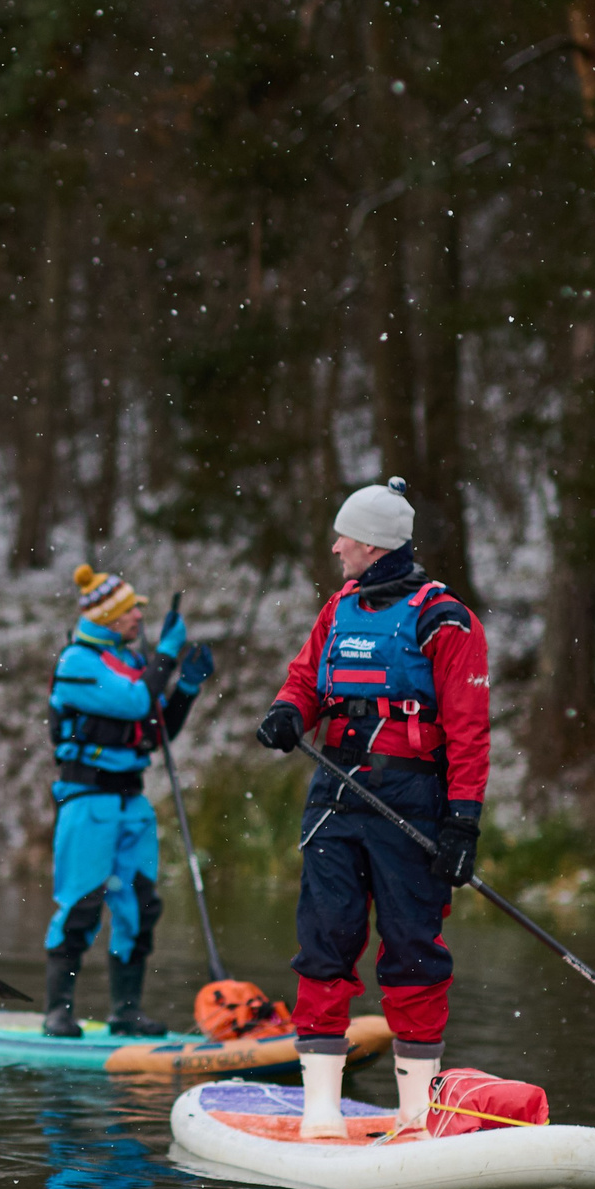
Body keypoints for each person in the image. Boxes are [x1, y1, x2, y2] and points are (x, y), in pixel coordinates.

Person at [253, 478, 490, 1136]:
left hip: (412, 801)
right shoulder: (339, 608)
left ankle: (416, 1114)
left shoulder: (446, 620)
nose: (335, 547)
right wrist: (287, 712)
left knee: (413, 950)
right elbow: (306, 678)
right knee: (324, 942)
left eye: (344, 538)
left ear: (373, 544)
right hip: (335, 793)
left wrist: (463, 822)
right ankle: (321, 1114)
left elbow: (469, 732)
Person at [42, 564, 215, 1038]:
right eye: (130, 609)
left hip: (132, 803)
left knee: (140, 907)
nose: (140, 615)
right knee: (81, 906)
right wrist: (166, 655)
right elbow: (137, 703)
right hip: (87, 801)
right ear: (107, 617)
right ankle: (58, 1011)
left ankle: (126, 1011)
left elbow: (157, 731)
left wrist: (187, 687)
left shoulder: (131, 662)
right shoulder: (77, 664)